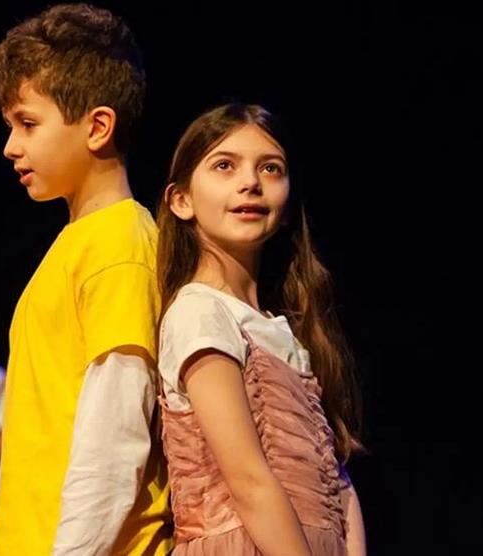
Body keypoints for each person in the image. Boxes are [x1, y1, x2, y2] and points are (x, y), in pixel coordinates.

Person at [0, 3, 171, 554]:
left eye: (27, 124)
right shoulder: (81, 242)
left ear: (98, 126)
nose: (11, 146)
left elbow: (115, 440)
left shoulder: (119, 245)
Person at [155, 103, 367, 555]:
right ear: (182, 200)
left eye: (270, 169)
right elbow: (249, 481)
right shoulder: (200, 312)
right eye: (224, 166)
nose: (250, 182)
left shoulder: (285, 332)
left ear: (288, 205)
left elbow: (336, 481)